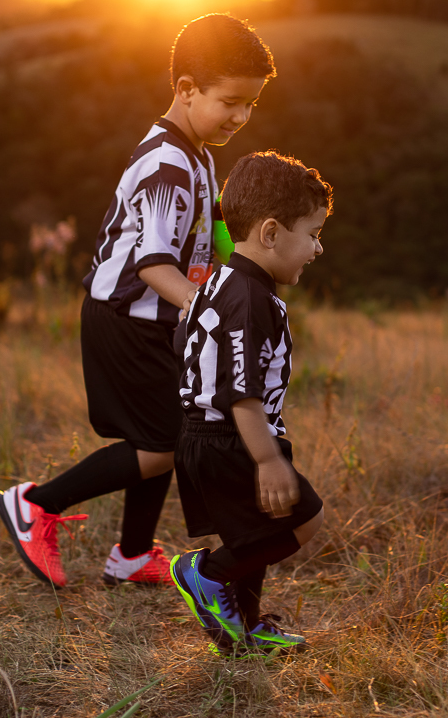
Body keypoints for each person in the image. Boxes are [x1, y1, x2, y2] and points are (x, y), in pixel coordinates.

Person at [0, 14, 276, 587]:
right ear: (186, 89)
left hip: (160, 318)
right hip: (127, 318)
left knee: (167, 433)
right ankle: (38, 504)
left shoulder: (194, 151)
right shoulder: (168, 163)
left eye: (252, 105)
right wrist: (212, 312)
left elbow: (206, 229)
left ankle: (130, 556)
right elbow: (152, 264)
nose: (242, 117)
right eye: (231, 101)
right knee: (169, 441)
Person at [170, 151, 331, 656]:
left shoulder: (216, 283)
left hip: (204, 434)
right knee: (304, 518)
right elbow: (242, 388)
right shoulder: (248, 296)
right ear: (270, 233)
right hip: (231, 438)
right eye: (312, 233)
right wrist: (267, 458)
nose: (318, 248)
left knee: (256, 527)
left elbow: (184, 343)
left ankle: (246, 624)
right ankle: (206, 575)